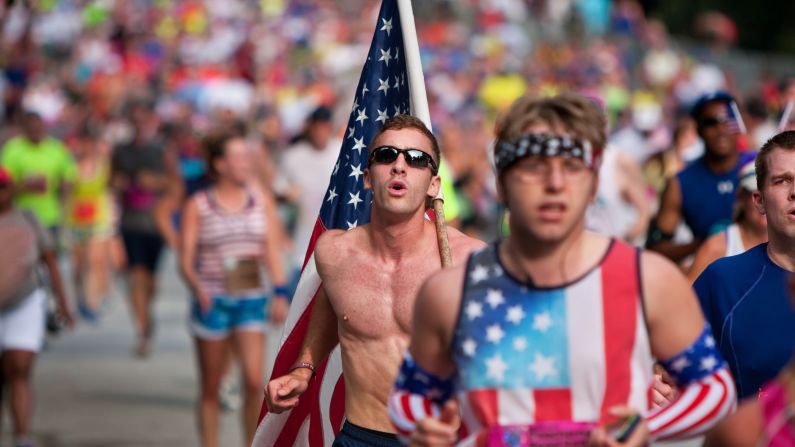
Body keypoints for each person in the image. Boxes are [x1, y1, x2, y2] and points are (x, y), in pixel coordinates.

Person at [388, 94, 735, 446]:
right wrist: (423, 427)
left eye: (571, 166)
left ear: (594, 183)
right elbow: (409, 396)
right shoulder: (451, 291)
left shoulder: (649, 279)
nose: (555, 183)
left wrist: (649, 427)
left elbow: (715, 387)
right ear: (502, 184)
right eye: (535, 166)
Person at [264, 115, 485, 446]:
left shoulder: (470, 262)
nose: (399, 166)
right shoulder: (335, 253)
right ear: (367, 178)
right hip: (359, 436)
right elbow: (334, 308)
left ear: (434, 184)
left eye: (416, 159)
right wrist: (303, 369)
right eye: (386, 155)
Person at [179, 132, 289, 447]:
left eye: (247, 156)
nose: (246, 162)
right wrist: (197, 287)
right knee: (211, 386)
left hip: (251, 298)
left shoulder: (261, 200)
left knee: (254, 382)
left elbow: (270, 250)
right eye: (239, 157)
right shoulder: (199, 205)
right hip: (213, 301)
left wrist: (280, 292)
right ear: (219, 164)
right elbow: (185, 260)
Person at [694, 130, 795, 402]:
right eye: (782, 181)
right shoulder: (722, 281)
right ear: (759, 201)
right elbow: (668, 372)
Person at [0, 166, 73, 447]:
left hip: (24, 304)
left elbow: (50, 262)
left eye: (3, 187)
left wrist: (63, 303)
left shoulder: (28, 219)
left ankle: (22, 436)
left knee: (19, 369)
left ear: (11, 189)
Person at [647, 91, 743, 263]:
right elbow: (656, 247)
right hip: (709, 272)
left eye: (728, 120)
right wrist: (702, 245)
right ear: (698, 130)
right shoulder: (681, 182)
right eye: (711, 123)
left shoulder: (760, 167)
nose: (721, 129)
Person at [110, 100, 167, 357]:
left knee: (150, 281)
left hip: (155, 223)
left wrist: (154, 182)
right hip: (130, 222)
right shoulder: (121, 151)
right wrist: (118, 183)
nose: (138, 125)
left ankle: (147, 316)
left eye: (142, 120)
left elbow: (174, 184)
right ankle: (143, 331)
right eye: (134, 120)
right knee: (136, 277)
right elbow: (110, 179)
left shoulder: (160, 151)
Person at [687, 157, 768, 282]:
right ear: (741, 197)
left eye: (770, 195)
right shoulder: (716, 247)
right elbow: (688, 292)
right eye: (756, 197)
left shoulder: (789, 243)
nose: (764, 203)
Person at [0, 111, 76, 241]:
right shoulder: (12, 151)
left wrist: (61, 192)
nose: (35, 130)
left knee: (51, 251)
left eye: (38, 127)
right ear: (24, 129)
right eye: (31, 128)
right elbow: (4, 187)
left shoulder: (56, 148)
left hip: (50, 217)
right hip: (22, 218)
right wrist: (25, 185)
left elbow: (69, 178)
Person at [66, 126, 115, 321]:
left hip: (98, 218)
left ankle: (91, 302)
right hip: (75, 218)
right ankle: (80, 298)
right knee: (78, 265)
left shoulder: (104, 164)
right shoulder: (71, 165)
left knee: (94, 261)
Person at [586, 143, 650, 243]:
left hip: (614, 245)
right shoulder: (572, 158)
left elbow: (644, 212)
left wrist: (620, 243)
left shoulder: (620, 161)